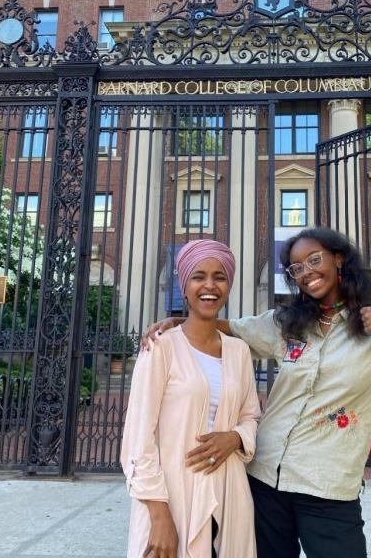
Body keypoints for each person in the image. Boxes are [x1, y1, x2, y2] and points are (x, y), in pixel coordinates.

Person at [142, 227, 371, 558]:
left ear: (338, 259)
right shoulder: (285, 324)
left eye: (314, 259)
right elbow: (228, 326)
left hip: (327, 486)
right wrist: (177, 322)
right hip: (264, 481)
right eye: (297, 267)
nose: (307, 272)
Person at [122, 239, 260, 558]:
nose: (209, 285)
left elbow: (251, 416)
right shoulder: (161, 348)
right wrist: (159, 515)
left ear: (229, 285)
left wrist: (236, 438)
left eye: (219, 277)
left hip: (229, 494)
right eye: (199, 276)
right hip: (173, 496)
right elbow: (138, 439)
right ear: (184, 286)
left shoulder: (238, 352)